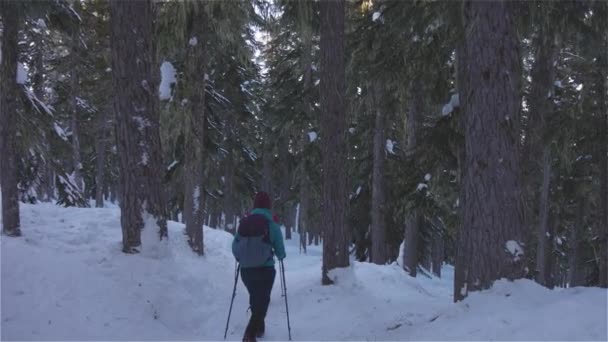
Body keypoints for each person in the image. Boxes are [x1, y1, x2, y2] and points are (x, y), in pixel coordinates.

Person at [232, 191, 286, 342]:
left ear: (254, 205)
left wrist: (240, 257)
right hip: (265, 269)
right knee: (263, 300)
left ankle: (259, 329)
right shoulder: (271, 224)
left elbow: (235, 245)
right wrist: (280, 256)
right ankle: (250, 334)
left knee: (256, 298)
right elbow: (280, 250)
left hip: (246, 271)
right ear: (268, 206)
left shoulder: (245, 222)